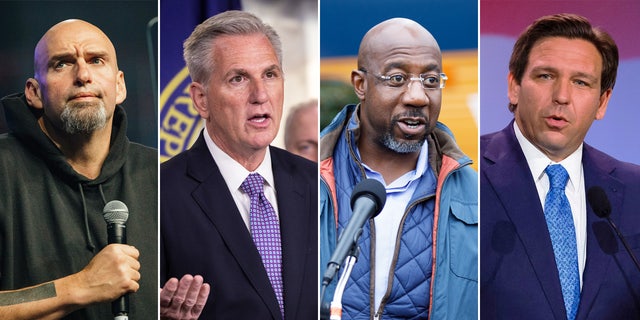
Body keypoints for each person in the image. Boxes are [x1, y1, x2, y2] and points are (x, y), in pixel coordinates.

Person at [160, 10, 318, 319]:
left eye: (270, 75)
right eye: (238, 78)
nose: (260, 95)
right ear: (201, 99)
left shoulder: (318, 183)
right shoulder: (161, 193)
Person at [480, 13, 640, 319]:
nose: (562, 97)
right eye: (545, 76)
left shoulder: (635, 190)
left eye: (581, 82)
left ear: (602, 102)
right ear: (514, 86)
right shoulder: (470, 173)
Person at [319, 18, 478, 319]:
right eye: (397, 78)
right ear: (360, 84)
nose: (417, 97)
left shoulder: (475, 196)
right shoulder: (309, 179)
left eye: (431, 81)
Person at [0, 19, 157, 319]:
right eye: (62, 64)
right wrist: (79, 286)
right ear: (33, 92)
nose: (83, 75)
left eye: (96, 61)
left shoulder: (158, 174)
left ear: (120, 85)